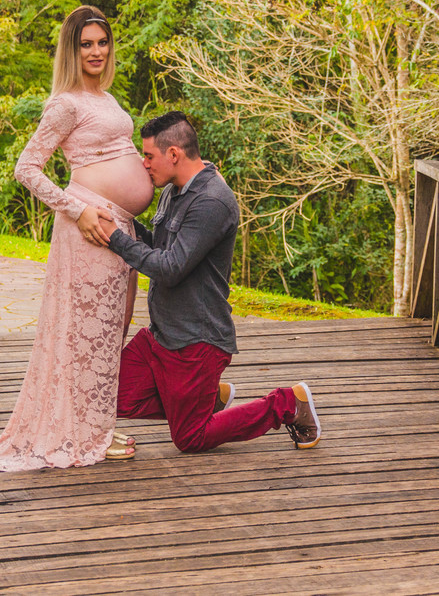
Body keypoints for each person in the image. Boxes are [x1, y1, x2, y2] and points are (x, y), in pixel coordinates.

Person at [0, 6, 152, 471]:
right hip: (90, 230)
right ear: (71, 50)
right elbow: (27, 168)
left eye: (102, 42)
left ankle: (95, 426)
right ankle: (81, 433)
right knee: (85, 334)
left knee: (111, 331)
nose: (97, 52)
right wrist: (78, 209)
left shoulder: (106, 98)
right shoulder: (66, 104)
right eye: (86, 44)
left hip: (120, 228)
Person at [95, 111, 322, 454]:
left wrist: (116, 239)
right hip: (161, 335)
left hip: (195, 342)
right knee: (105, 397)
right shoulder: (174, 190)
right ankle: (208, 399)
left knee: (190, 438)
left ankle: (289, 404)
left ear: (174, 154)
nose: (144, 163)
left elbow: (170, 267)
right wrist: (121, 222)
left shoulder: (212, 201)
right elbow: (161, 248)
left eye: (149, 156)